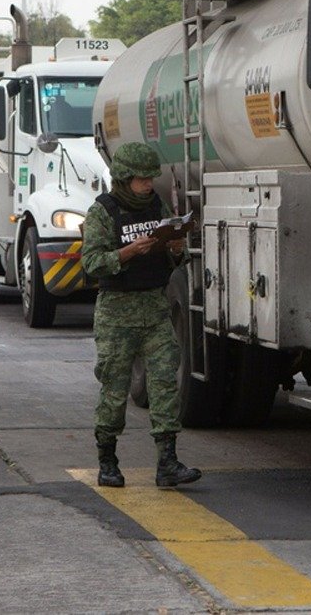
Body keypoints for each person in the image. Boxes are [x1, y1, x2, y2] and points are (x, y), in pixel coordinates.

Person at [81, 140, 201, 490]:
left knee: (165, 381)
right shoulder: (103, 211)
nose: (148, 184)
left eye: (151, 177)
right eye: (141, 179)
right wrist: (129, 251)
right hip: (117, 314)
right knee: (114, 389)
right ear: (123, 177)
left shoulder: (155, 205)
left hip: (154, 307)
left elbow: (172, 259)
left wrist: (176, 249)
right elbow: (91, 263)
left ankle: (168, 463)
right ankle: (107, 461)